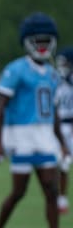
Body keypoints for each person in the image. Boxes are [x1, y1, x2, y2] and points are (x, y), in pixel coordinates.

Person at [0, 13, 71, 228]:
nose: (43, 45)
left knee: (52, 190)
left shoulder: (54, 74)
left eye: (47, 40)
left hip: (45, 137)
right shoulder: (16, 69)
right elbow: (0, 105)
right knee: (18, 192)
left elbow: (53, 112)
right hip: (21, 136)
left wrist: (63, 144)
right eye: (38, 40)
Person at [54, 47, 73, 214]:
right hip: (57, 125)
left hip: (70, 125)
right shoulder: (55, 79)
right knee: (61, 163)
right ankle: (61, 199)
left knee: (65, 164)